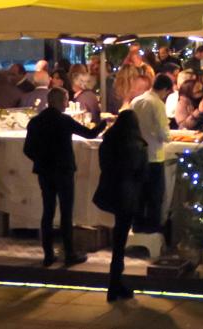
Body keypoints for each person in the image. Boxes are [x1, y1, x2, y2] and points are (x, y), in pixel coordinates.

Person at [23, 87, 104, 267]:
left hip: (44, 171)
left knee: (48, 211)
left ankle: (48, 254)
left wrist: (41, 160)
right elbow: (90, 134)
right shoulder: (64, 120)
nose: (67, 104)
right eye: (66, 100)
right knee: (66, 213)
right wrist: (104, 124)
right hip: (64, 170)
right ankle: (69, 253)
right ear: (59, 101)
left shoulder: (36, 122)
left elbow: (27, 149)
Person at [92, 110, 146, 303]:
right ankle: (115, 284)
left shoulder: (109, 141)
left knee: (118, 237)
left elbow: (103, 164)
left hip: (110, 191)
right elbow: (141, 172)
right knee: (120, 239)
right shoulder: (137, 145)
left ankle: (115, 283)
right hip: (128, 195)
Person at [125, 74, 173, 233]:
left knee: (139, 194)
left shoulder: (136, 101)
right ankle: (152, 227)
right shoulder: (157, 104)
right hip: (154, 155)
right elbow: (163, 133)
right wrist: (169, 136)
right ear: (165, 90)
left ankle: (137, 224)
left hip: (137, 154)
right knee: (154, 195)